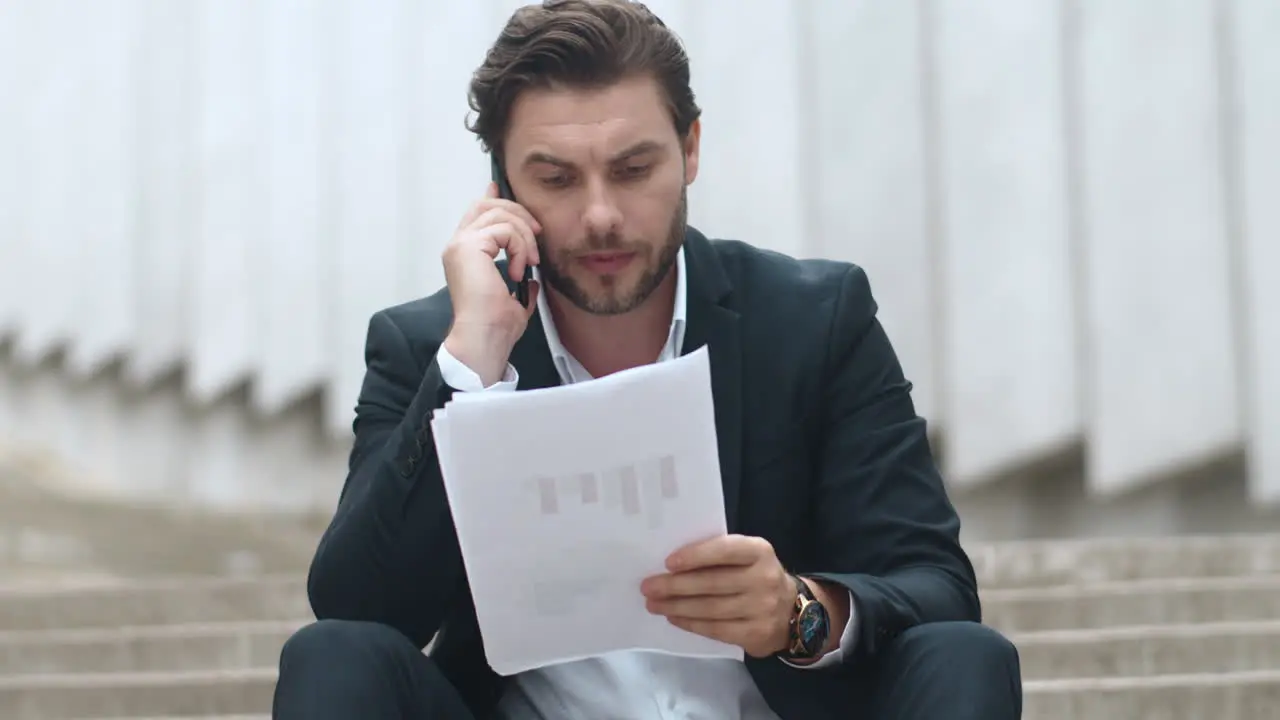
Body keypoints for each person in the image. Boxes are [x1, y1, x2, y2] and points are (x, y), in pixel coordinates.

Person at [272, 1, 1022, 718]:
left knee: (966, 656)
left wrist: (798, 613)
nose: (601, 214)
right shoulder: (431, 347)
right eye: (558, 179)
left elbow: (936, 586)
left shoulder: (815, 319)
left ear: (690, 149)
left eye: (633, 170)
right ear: (501, 189)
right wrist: (472, 364)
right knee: (333, 656)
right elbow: (356, 611)